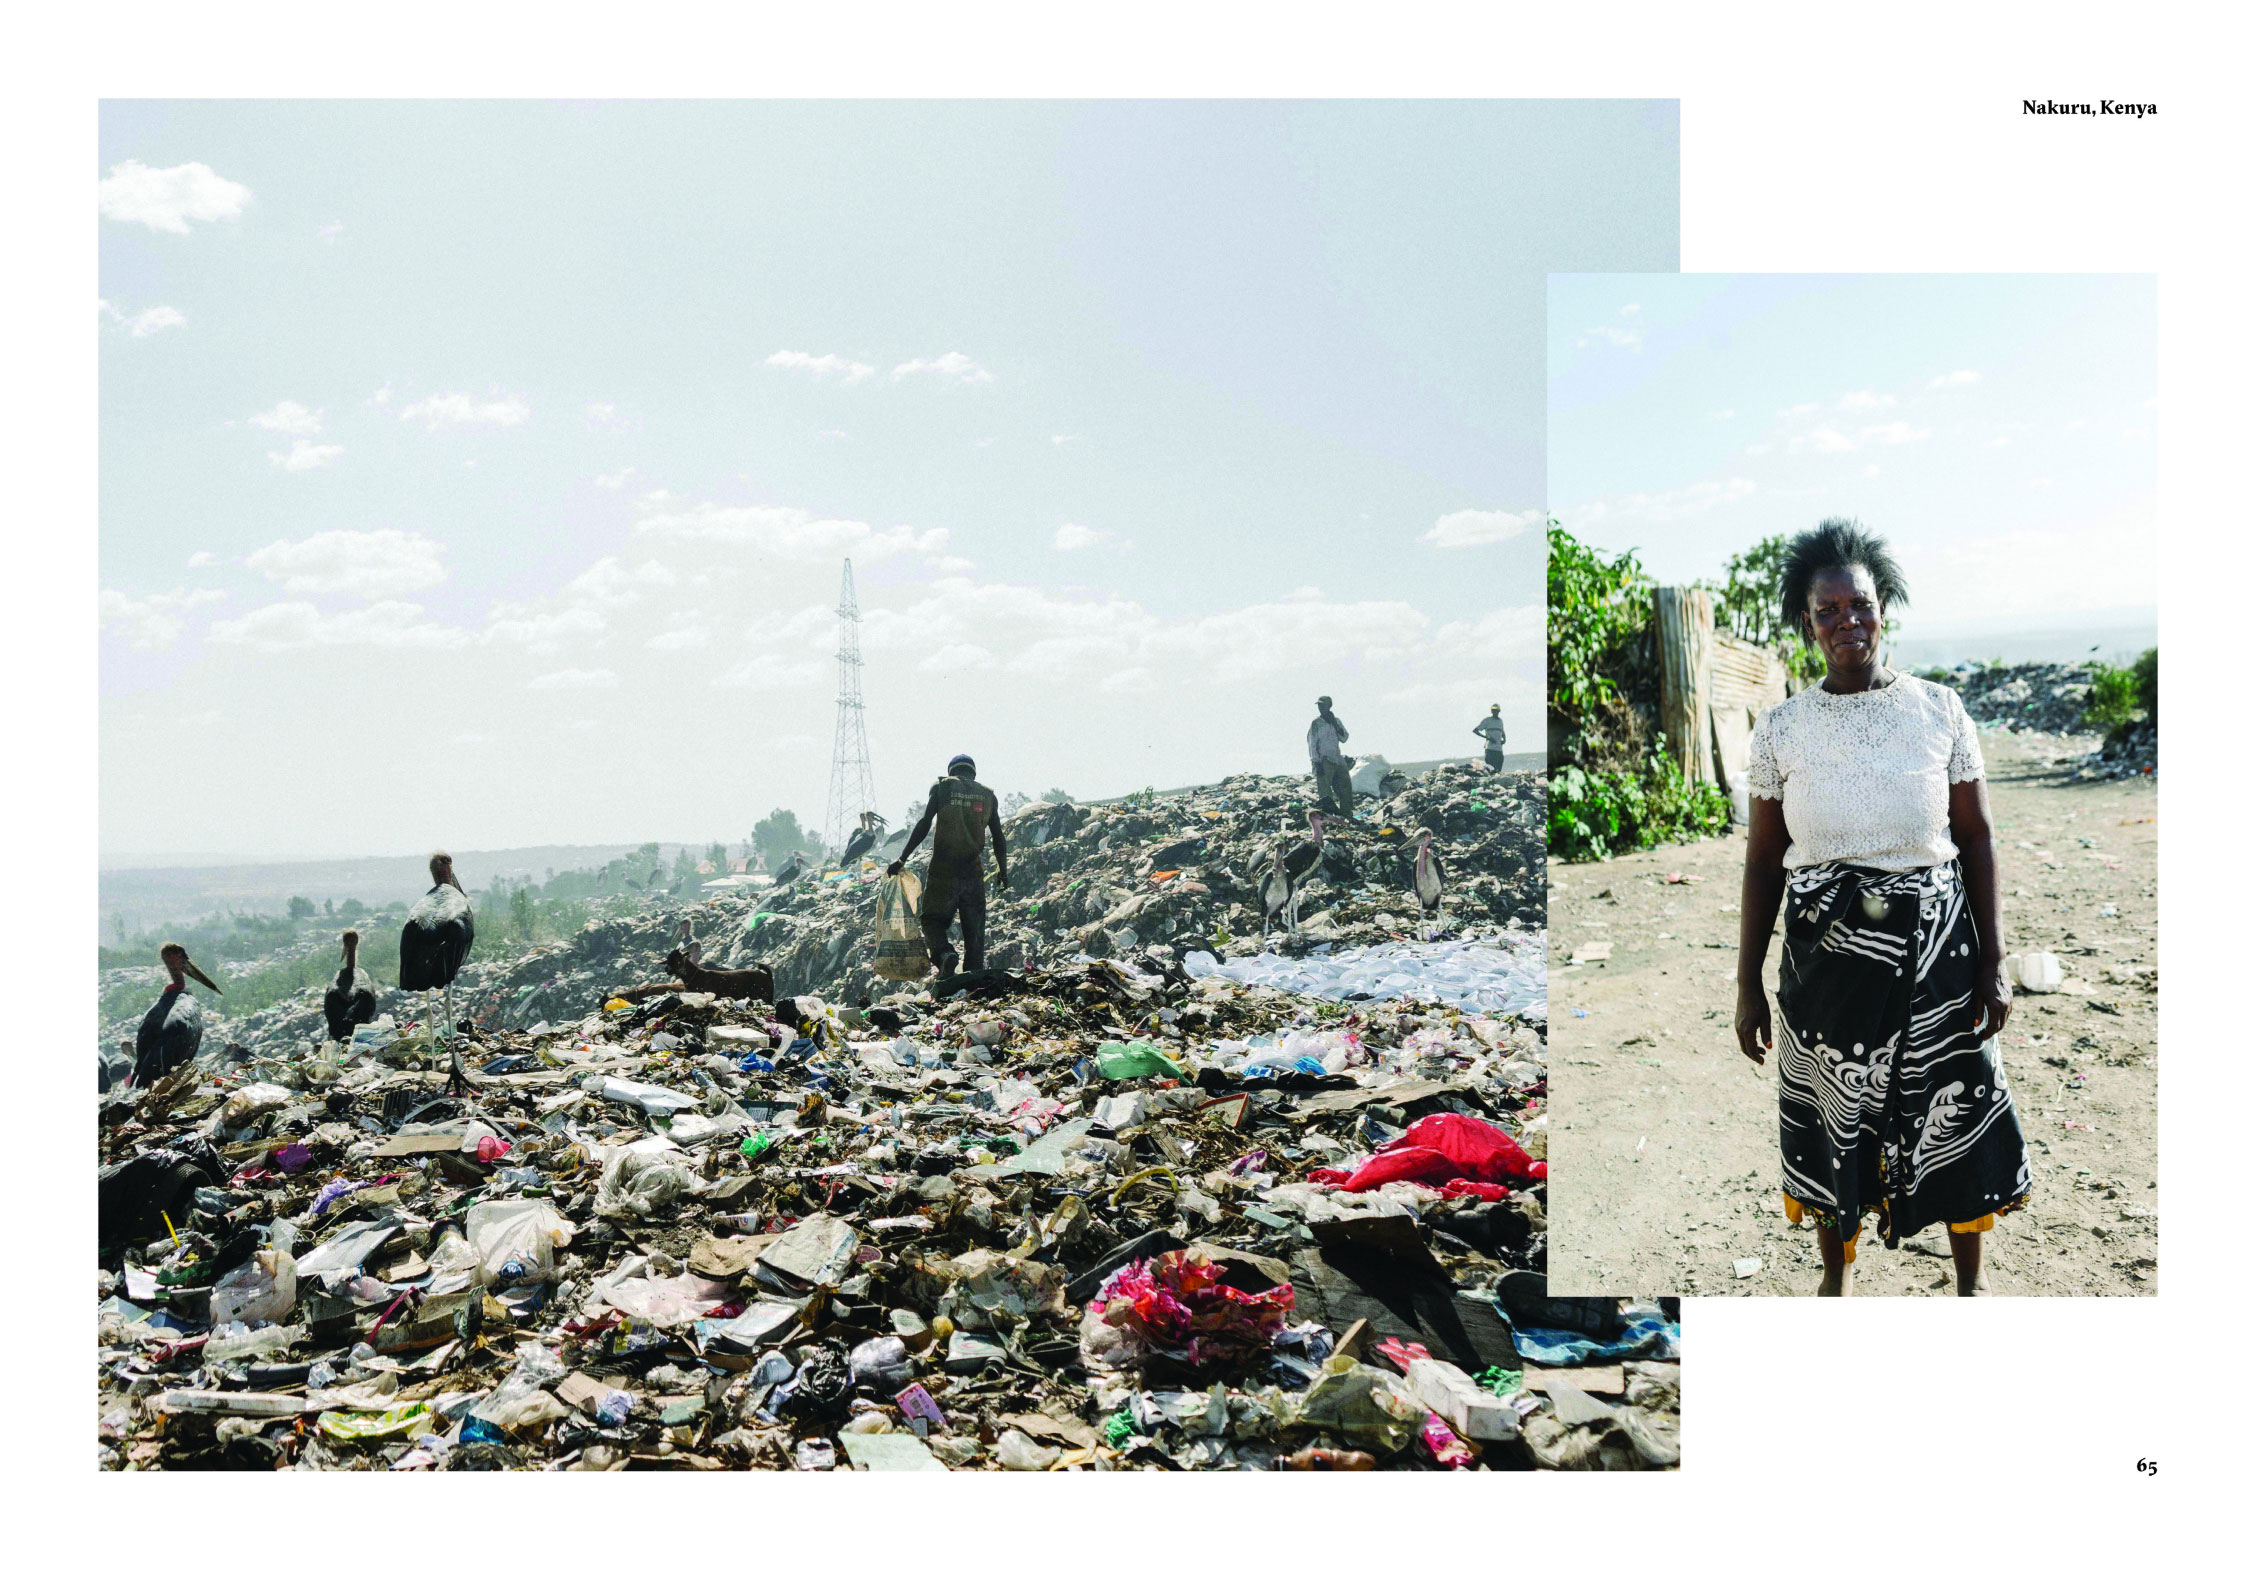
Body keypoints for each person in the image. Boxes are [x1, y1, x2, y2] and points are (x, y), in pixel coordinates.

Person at [1733, 518, 2030, 1297]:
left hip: (1939, 959)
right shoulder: (1782, 728)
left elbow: (1976, 837)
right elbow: (1765, 862)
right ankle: (1837, 1281)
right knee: (1834, 1123)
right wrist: (1745, 985)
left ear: (1883, 609)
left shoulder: (1939, 711)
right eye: (1826, 610)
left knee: (1958, 1114)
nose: (1846, 623)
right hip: (1824, 972)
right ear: (1806, 621)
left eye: (1859, 605)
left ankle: (1969, 1286)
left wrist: (1993, 964)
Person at [889, 754, 1010, 978]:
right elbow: (998, 837)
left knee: (932, 920)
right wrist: (1003, 871)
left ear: (952, 770)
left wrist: (902, 859)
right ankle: (975, 977)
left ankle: (945, 955)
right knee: (974, 931)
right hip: (973, 871)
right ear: (973, 773)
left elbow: (925, 823)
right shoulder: (987, 795)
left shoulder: (942, 786)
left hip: (943, 870)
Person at [1306, 695, 1355, 817]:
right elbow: (1312, 743)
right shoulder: (1316, 723)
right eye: (1319, 705)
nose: (1321, 708)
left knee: (1345, 786)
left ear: (1329, 706)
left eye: (1323, 705)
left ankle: (1346, 813)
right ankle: (1327, 814)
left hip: (1337, 758)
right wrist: (1316, 762)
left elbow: (1344, 738)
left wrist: (1336, 725)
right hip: (1323, 760)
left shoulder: (1336, 721)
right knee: (1325, 790)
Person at [1473, 703, 1507, 773]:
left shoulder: (1500, 721)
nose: (1495, 712)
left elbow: (1502, 732)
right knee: (1490, 770)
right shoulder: (1487, 720)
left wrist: (1504, 739)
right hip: (1490, 749)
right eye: (1494, 711)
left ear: (1499, 711)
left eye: (1497, 711)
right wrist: (1487, 738)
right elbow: (1475, 730)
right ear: (1491, 711)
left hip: (1499, 750)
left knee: (1498, 770)